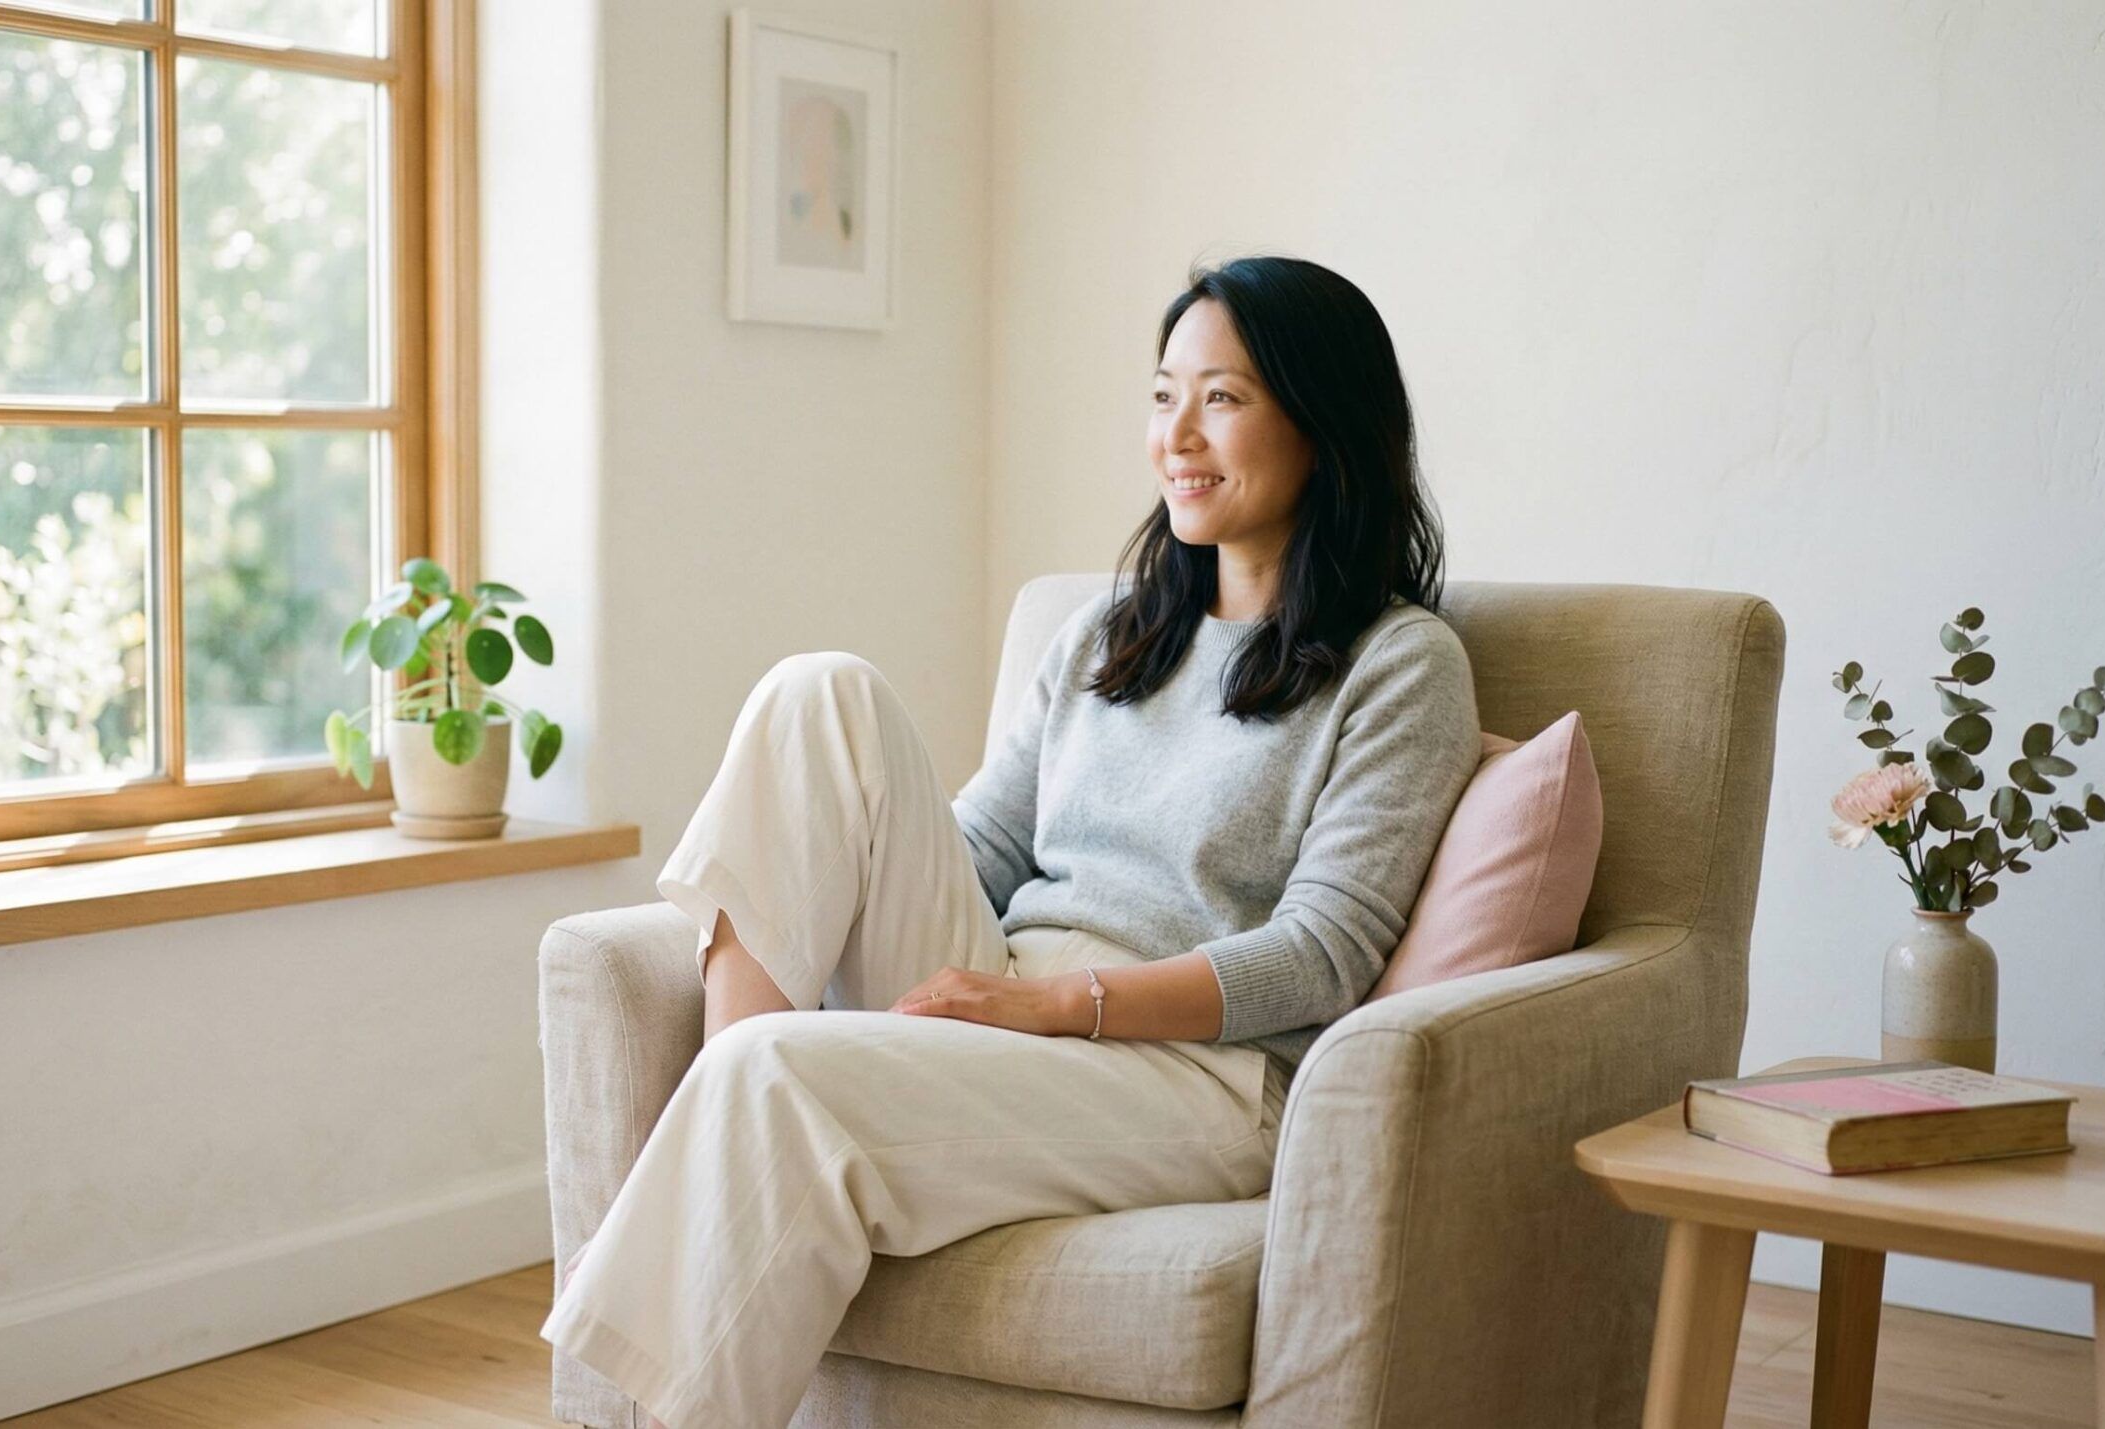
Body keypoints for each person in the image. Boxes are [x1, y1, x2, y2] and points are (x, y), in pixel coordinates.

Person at [539, 254, 1483, 1429]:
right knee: (817, 692)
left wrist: (1061, 1004)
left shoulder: (1400, 666)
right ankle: (734, 1095)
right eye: (1160, 394)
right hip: (1011, 993)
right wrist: (952, 955)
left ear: (1325, 424)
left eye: (1223, 398)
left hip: (1197, 1071)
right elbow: (985, 838)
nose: (1176, 435)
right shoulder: (1110, 629)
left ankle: (716, 1167)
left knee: (773, 1074)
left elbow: (1323, 954)